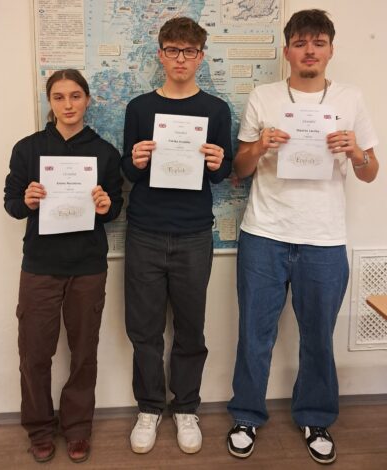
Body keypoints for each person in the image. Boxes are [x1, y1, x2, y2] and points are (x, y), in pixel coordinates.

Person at [226, 9, 379, 465]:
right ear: (287, 50)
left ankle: (315, 417)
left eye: (318, 42)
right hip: (264, 234)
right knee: (254, 334)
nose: (309, 51)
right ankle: (246, 415)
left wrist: (355, 151)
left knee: (318, 337)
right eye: (300, 43)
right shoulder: (264, 96)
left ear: (331, 49)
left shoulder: (351, 98)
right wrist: (260, 146)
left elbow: (370, 172)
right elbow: (239, 168)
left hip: (324, 240)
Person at [121, 16, 232, 455]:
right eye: (172, 50)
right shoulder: (139, 108)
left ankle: (186, 407)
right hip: (145, 232)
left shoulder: (216, 109)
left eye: (188, 51)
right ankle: (149, 407)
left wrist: (218, 161)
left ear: (201, 57)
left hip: (193, 234)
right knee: (144, 329)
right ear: (160, 55)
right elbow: (128, 171)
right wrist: (135, 160)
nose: (180, 59)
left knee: (190, 328)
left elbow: (221, 174)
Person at [4, 69, 123, 463]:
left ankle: (77, 428)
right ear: (50, 102)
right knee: (34, 353)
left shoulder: (105, 152)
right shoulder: (28, 149)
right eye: (59, 97)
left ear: (87, 99)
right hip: (40, 266)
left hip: (88, 266)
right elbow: (12, 204)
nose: (68, 105)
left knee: (84, 352)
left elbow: (114, 207)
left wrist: (106, 206)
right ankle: (39, 428)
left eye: (75, 96)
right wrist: (27, 201)